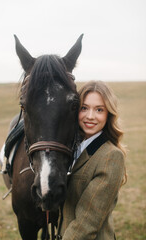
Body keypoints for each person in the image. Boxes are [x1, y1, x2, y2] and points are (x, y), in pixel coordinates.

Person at [57, 80, 127, 240]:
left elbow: (87, 223)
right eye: (84, 108)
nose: (90, 116)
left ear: (108, 114)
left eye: (99, 110)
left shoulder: (111, 156)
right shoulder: (71, 150)